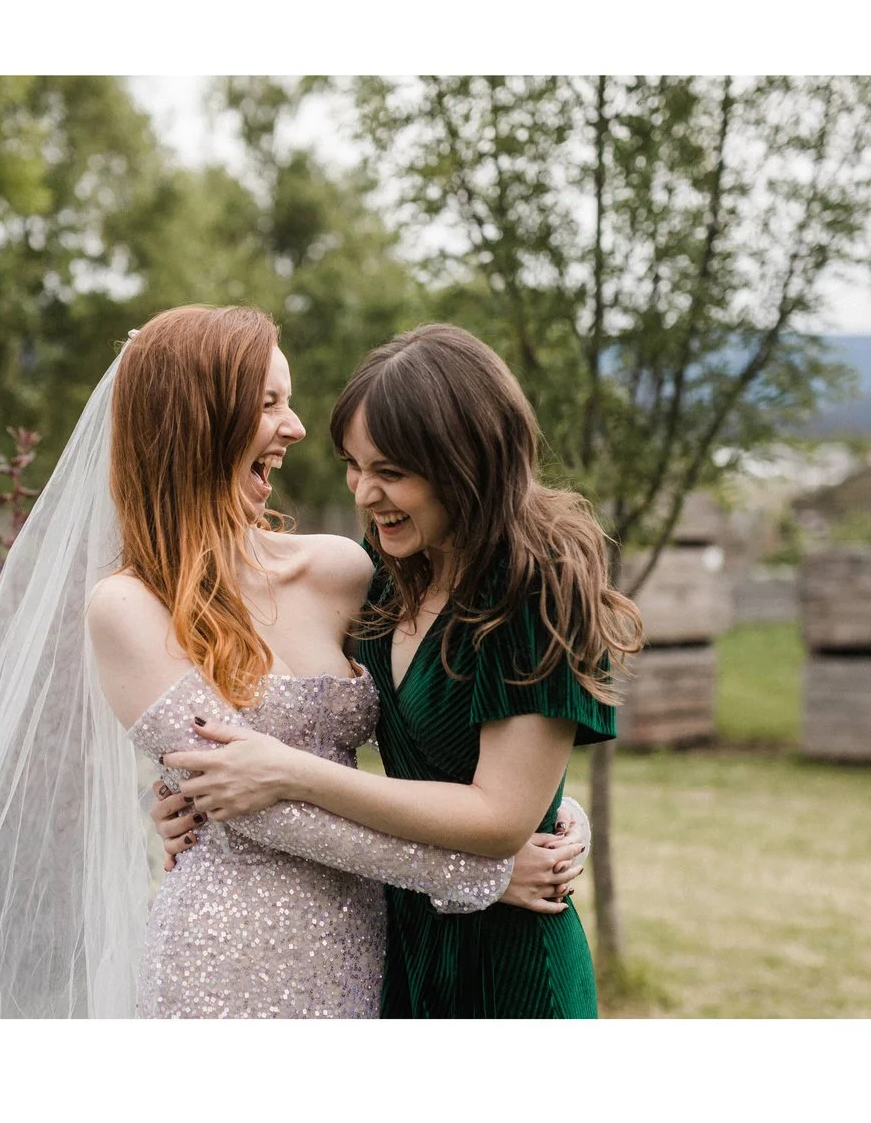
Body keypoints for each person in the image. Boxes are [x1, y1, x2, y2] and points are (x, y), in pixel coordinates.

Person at [0, 306, 583, 1018]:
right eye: (270, 404)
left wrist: (541, 807)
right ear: (199, 424)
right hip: (227, 954)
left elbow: (437, 705)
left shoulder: (346, 570)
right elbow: (255, 805)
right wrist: (478, 874)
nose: (296, 427)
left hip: (374, 944)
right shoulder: (127, 606)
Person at [162, 324, 640, 1018]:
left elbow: (500, 817)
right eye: (354, 466)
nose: (365, 493)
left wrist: (291, 774)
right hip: (403, 937)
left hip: (506, 959)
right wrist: (187, 799)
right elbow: (300, 703)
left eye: (390, 472)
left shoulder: (535, 588)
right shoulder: (391, 572)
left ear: (465, 462)